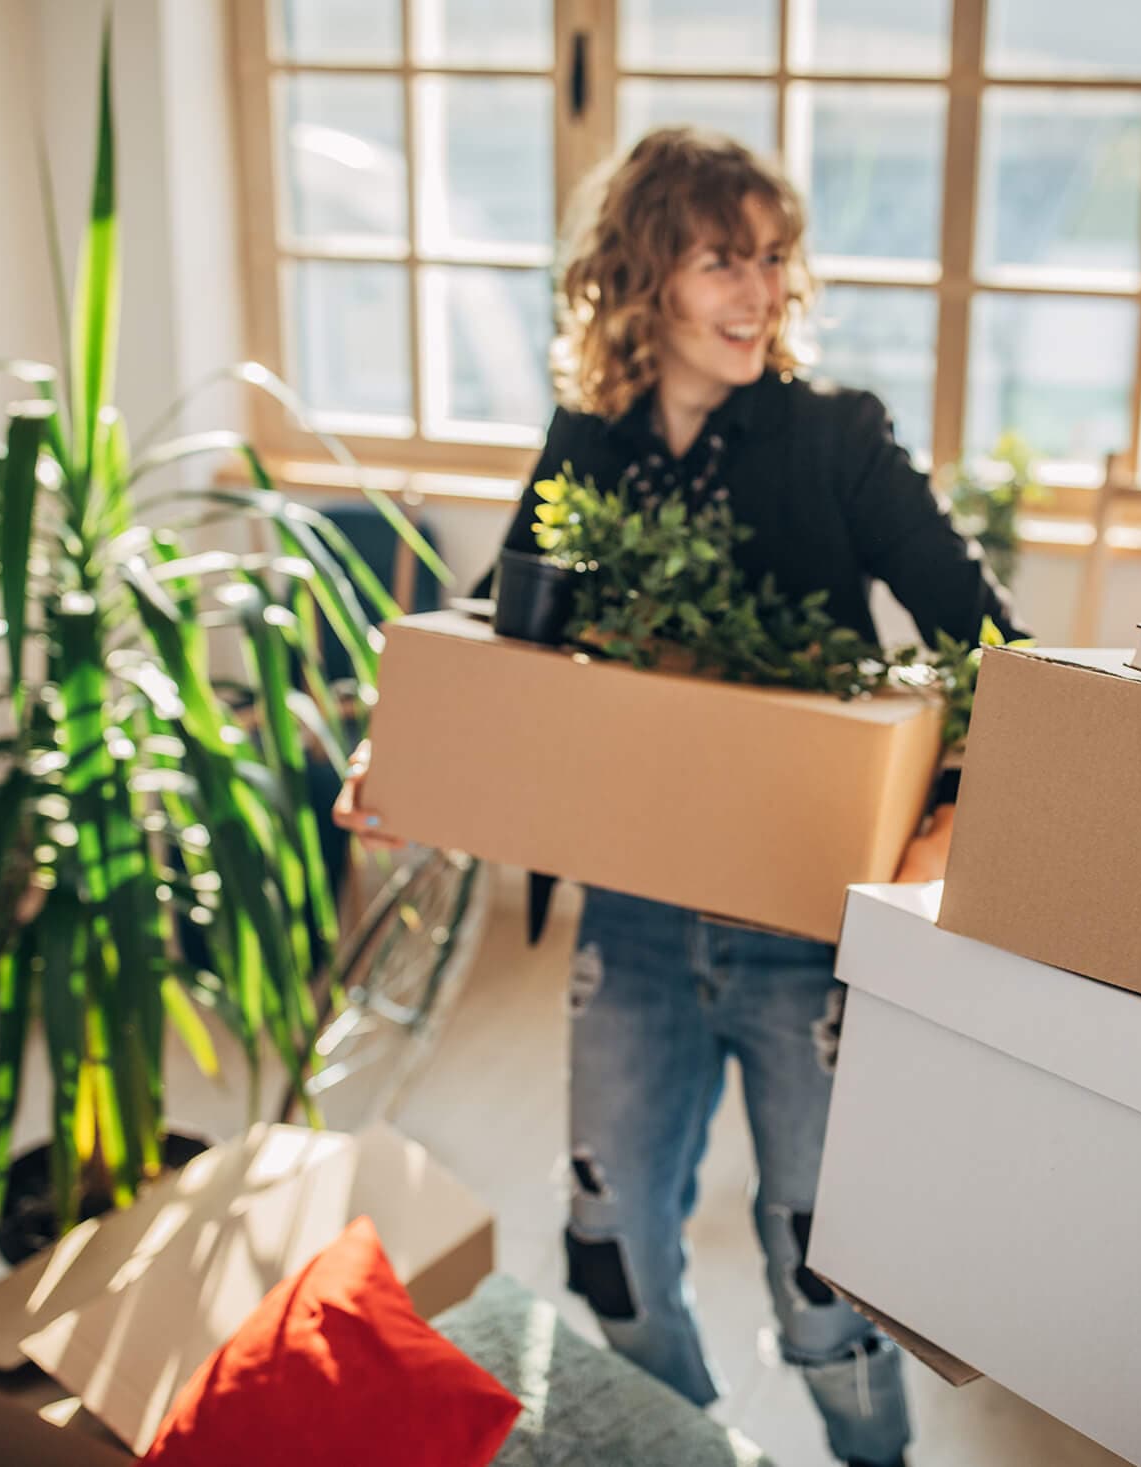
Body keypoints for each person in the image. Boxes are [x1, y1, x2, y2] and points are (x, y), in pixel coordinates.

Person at [345, 127, 1022, 1465]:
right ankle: (695, 1449)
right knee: (610, 1246)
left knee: (822, 1276)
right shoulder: (590, 442)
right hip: (637, 919)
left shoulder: (837, 437)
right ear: (644, 274)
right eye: (724, 259)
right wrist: (403, 759)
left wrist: (950, 794)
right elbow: (504, 635)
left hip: (802, 923)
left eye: (774, 260)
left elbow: (986, 636)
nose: (759, 293)